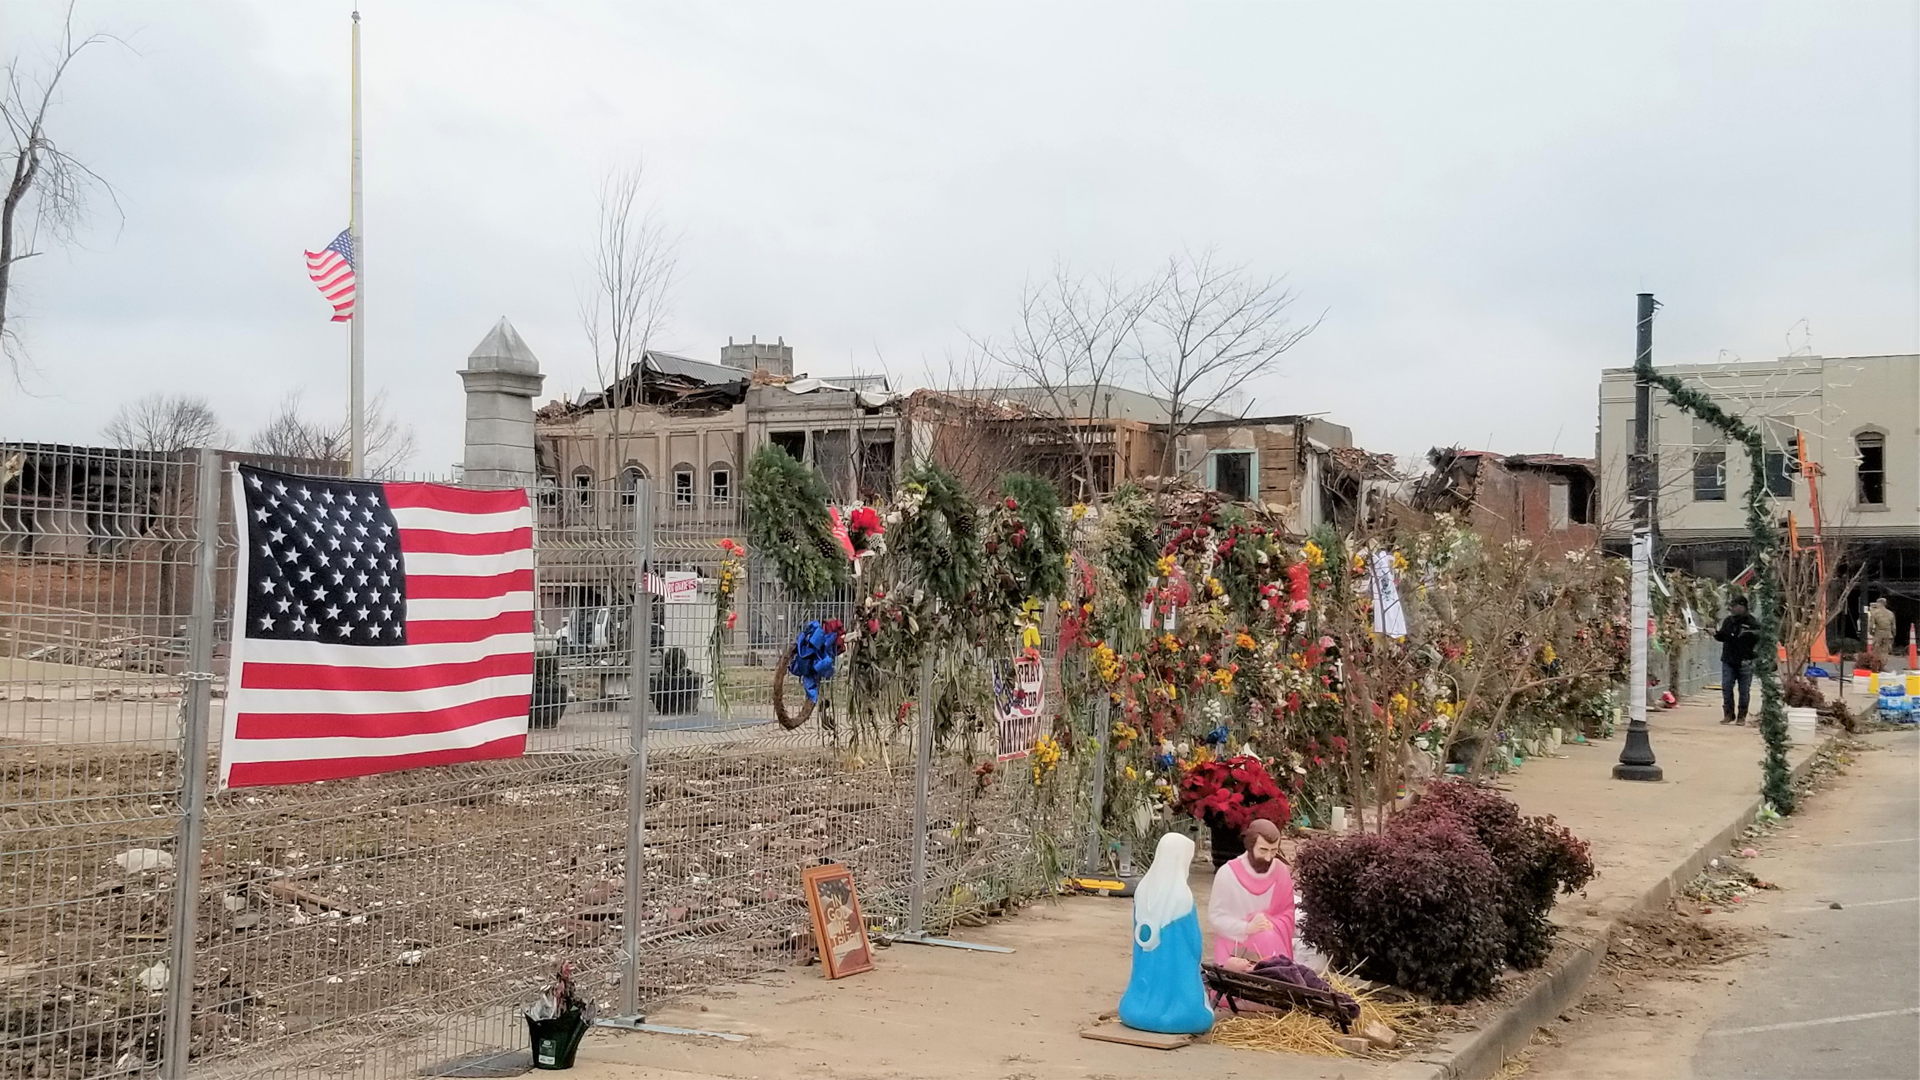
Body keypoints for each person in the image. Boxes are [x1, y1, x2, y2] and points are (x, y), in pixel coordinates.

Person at [1117, 832, 1214, 1035]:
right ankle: (1172, 1013)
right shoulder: (1181, 895)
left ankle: (1139, 1007)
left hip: (1146, 959)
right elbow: (1192, 942)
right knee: (1191, 1006)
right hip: (1175, 968)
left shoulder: (1143, 889)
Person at [1206, 819, 1296, 971]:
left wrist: (1270, 924)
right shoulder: (1228, 874)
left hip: (1272, 948)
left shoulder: (1281, 872)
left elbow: (1288, 913)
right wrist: (1248, 927)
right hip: (1235, 950)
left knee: (1267, 938)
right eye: (1263, 850)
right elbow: (1217, 917)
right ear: (1249, 845)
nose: (1268, 857)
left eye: (1273, 851)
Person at [1715, 596, 1760, 724]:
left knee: (1744, 690)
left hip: (1746, 661)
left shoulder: (1753, 622)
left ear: (1743, 606)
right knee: (1727, 687)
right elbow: (1723, 637)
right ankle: (1729, 714)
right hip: (1729, 660)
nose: (1732, 609)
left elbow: (1758, 640)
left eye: (1735, 606)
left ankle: (1742, 716)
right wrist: (1715, 634)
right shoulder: (1728, 621)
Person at [1866, 598, 1896, 673]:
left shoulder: (1875, 613)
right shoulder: (1890, 613)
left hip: (1878, 634)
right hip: (1888, 634)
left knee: (1876, 651)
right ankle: (1883, 665)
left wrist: (1871, 632)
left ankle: (1876, 667)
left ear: (1879, 604)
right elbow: (1893, 627)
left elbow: (1870, 626)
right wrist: (1893, 635)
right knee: (1885, 651)